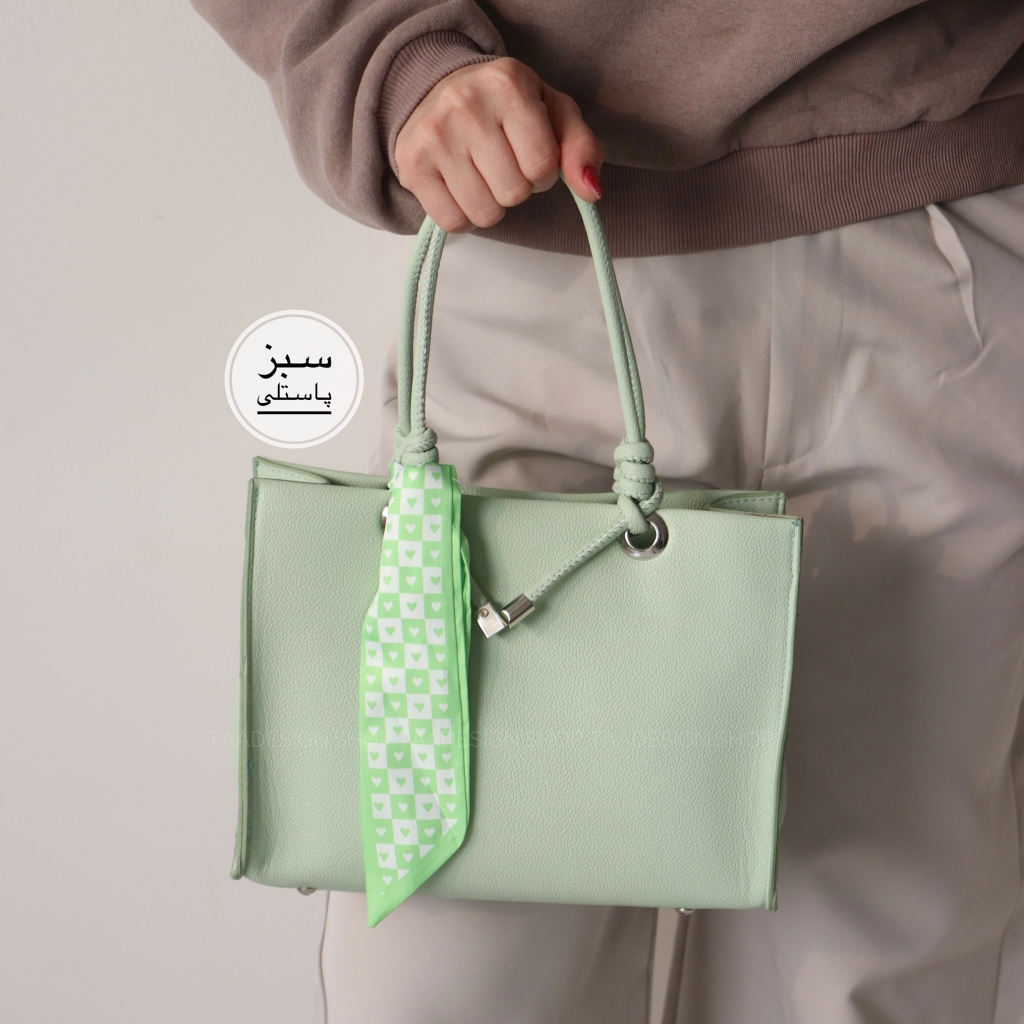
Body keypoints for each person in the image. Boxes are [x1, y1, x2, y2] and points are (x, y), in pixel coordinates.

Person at [192, 2, 1024, 1021]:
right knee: (448, 975)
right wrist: (390, 53)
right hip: (527, 211)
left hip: (944, 234)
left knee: (866, 970)